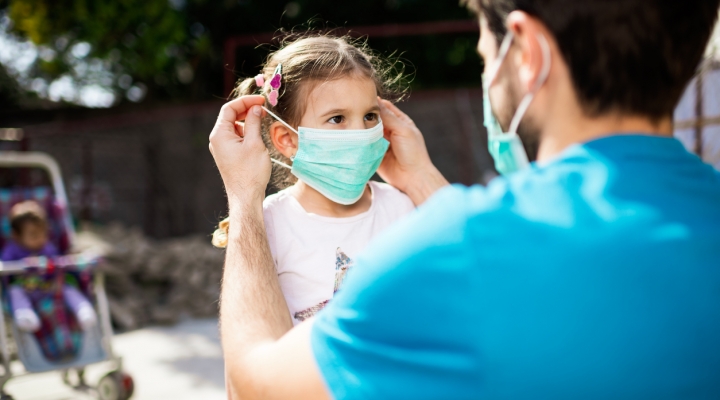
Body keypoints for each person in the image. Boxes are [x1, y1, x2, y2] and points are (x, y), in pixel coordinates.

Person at [208, 0, 720, 398]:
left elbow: (258, 386)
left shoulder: (458, 249)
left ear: (528, 53)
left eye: (484, 56)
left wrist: (243, 197)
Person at [212, 35, 415, 325]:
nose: (360, 132)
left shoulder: (401, 207)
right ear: (287, 140)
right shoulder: (266, 225)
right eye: (337, 118)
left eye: (370, 116)